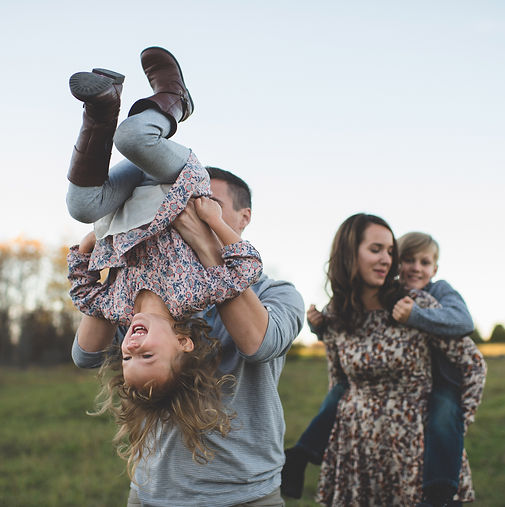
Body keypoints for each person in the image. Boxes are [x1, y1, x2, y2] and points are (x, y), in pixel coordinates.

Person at [70, 93, 305, 506]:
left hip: (244, 496)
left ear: (242, 218)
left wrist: (203, 238)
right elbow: (85, 354)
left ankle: (127, 109)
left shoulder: (276, 293)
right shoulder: (147, 303)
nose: (184, 211)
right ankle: (157, 100)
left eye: (207, 203)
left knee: (89, 193)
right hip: (152, 495)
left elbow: (258, 345)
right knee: (85, 199)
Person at [66, 47, 263, 476]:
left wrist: (84, 248)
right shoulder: (195, 296)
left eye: (128, 359)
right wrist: (215, 223)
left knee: (81, 205)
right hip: (177, 185)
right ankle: (175, 97)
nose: (131, 347)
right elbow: (246, 268)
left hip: (126, 202)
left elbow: (81, 288)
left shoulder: (117, 308)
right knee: (135, 139)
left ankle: (102, 107)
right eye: (147, 357)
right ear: (184, 343)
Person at [287, 213, 482, 505]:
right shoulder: (337, 313)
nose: (386, 260)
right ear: (348, 254)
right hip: (357, 448)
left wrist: (457, 422)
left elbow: (473, 363)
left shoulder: (416, 305)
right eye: (376, 249)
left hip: (415, 450)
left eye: (391, 252)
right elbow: (338, 381)